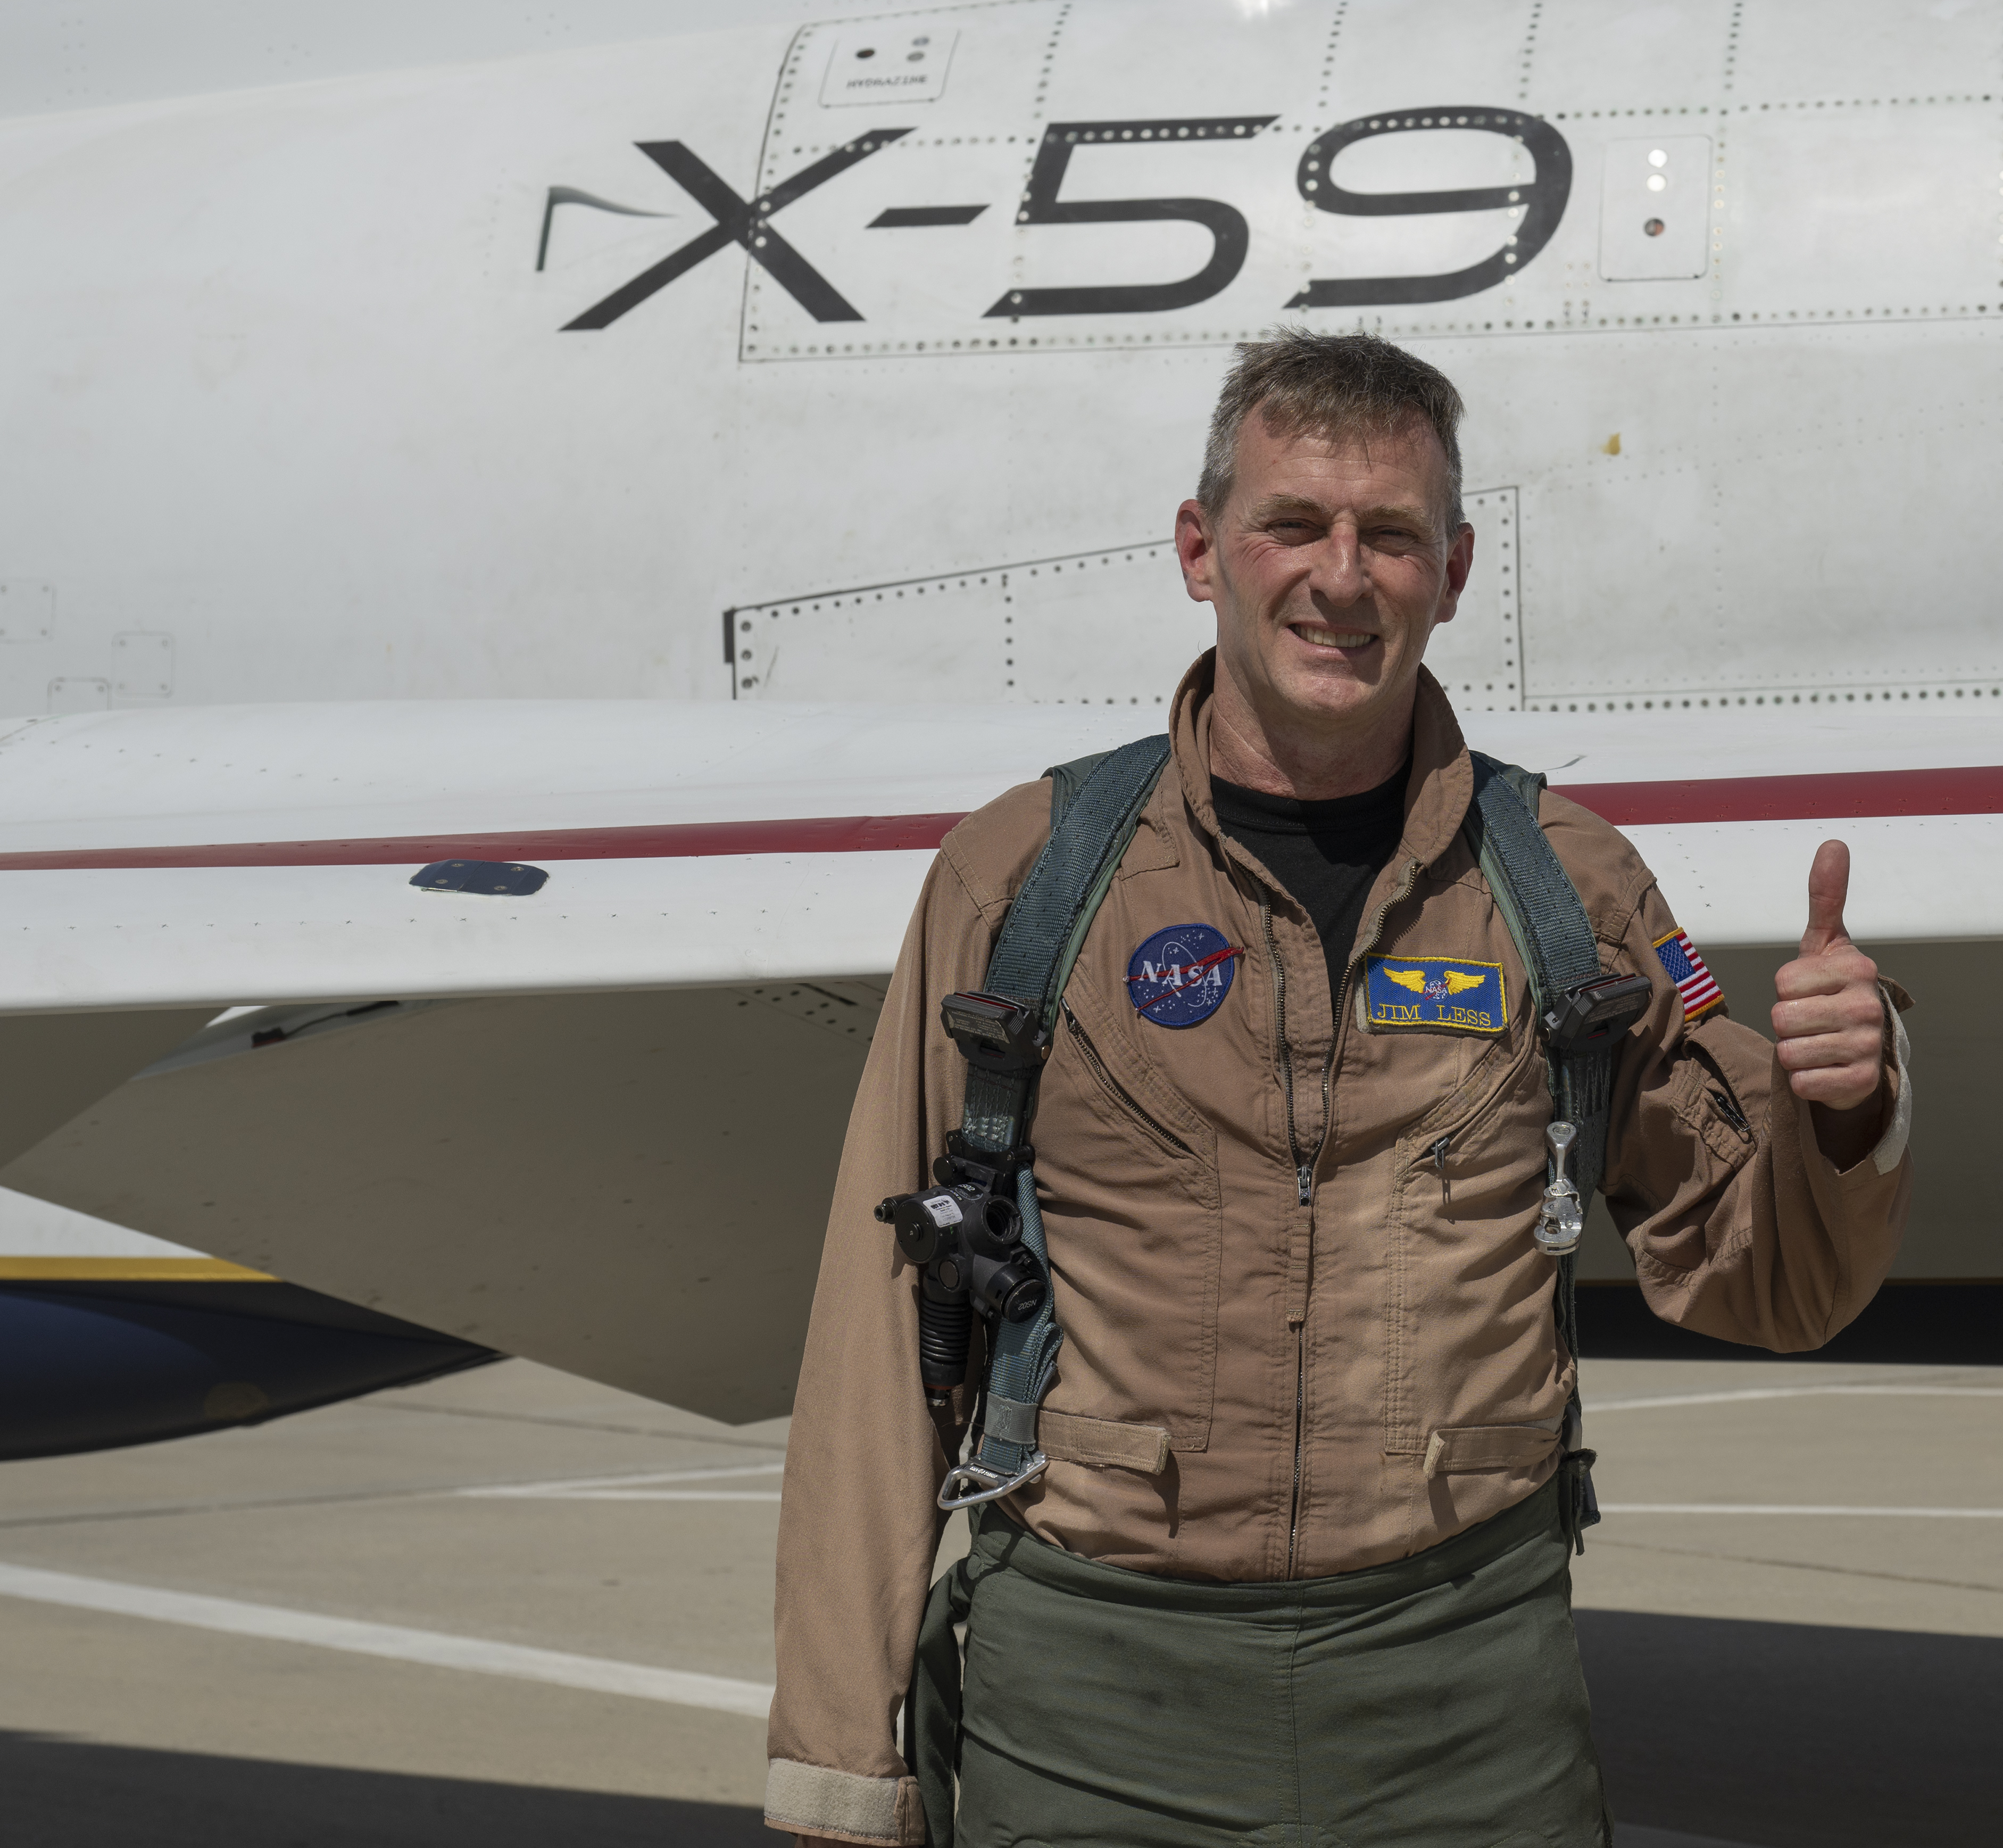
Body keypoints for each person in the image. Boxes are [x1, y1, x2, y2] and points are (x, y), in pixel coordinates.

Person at [766, 328, 1915, 1847]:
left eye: (1391, 535)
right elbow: (875, 1331)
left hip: (1462, 1707)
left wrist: (1842, 1109)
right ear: (1201, 550)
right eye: (1292, 524)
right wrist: (843, 1765)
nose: (1341, 576)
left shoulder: (1569, 887)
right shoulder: (1023, 879)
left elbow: (1776, 1283)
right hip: (1096, 1703)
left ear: (1454, 570)